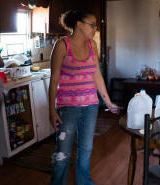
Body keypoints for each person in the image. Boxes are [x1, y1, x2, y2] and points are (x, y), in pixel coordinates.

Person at [49, 10, 119, 185]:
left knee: (86, 148)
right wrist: (52, 110)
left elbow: (97, 75)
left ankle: (83, 181)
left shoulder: (92, 45)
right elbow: (54, 80)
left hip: (91, 106)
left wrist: (108, 102)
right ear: (79, 25)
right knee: (63, 152)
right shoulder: (62, 45)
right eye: (92, 24)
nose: (95, 28)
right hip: (67, 108)